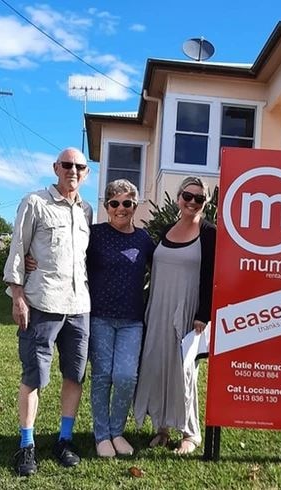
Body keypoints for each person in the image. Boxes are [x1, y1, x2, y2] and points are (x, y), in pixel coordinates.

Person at [3, 147, 93, 477]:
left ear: (86, 173)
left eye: (79, 166)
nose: (72, 170)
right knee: (34, 376)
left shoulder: (86, 210)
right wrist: (18, 296)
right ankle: (26, 445)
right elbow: (18, 250)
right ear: (56, 168)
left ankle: (64, 440)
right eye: (66, 165)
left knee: (74, 375)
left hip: (79, 306)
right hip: (42, 304)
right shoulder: (35, 203)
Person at [133, 176, 216, 455]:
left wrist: (203, 314)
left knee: (184, 372)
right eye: (187, 196)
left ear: (206, 202)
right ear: (179, 197)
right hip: (158, 308)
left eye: (199, 198)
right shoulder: (167, 229)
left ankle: (190, 433)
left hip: (189, 311)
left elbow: (212, 276)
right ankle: (162, 427)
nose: (192, 202)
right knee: (158, 366)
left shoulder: (209, 233)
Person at [86, 179, 155, 458]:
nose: (121, 208)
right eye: (114, 203)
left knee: (126, 377)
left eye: (127, 203)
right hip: (100, 318)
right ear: (107, 207)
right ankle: (102, 435)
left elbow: (166, 264)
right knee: (102, 377)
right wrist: (33, 260)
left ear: (135, 206)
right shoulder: (95, 235)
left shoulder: (143, 239)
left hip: (132, 320)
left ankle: (117, 431)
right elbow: (67, 256)